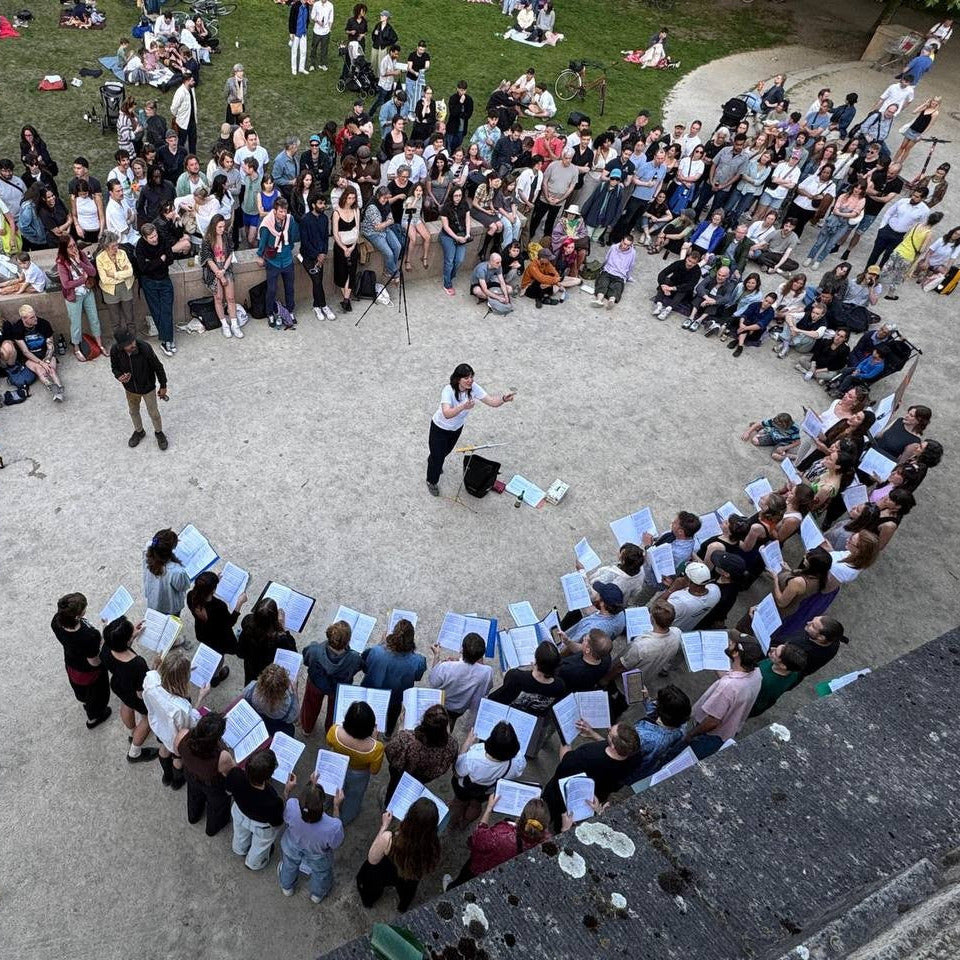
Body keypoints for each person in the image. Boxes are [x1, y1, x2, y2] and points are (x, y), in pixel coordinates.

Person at [425, 362, 515, 496]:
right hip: (440, 428)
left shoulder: (474, 388)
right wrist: (463, 406)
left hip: (456, 429)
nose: (470, 380)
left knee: (445, 452)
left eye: (471, 377)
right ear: (458, 379)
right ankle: (431, 481)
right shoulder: (448, 390)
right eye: (466, 378)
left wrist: (503, 399)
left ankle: (434, 459)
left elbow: (491, 402)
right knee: (438, 458)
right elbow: (447, 413)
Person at [542, 722, 641, 830]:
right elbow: (614, 750)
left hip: (563, 795)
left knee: (550, 812)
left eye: (609, 732)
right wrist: (592, 734)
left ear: (612, 745)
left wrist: (564, 741)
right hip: (594, 796)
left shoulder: (587, 756)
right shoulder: (635, 757)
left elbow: (566, 763)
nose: (608, 728)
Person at [449, 794, 554, 888]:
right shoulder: (546, 842)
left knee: (461, 882)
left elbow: (478, 839)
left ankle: (451, 888)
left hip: (480, 868)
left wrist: (489, 809)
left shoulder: (502, 834)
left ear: (521, 816)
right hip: (503, 876)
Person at [357, 801, 441, 912]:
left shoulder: (389, 839)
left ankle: (368, 900)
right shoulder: (434, 845)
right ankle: (403, 907)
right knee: (408, 891)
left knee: (368, 875)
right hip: (411, 875)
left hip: (387, 871)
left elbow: (372, 859)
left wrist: (384, 826)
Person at [143, 652, 207, 790]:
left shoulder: (150, 680)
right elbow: (190, 725)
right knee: (177, 758)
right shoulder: (181, 708)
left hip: (159, 726)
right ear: (183, 679)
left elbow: (154, 672)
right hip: (174, 736)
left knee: (163, 748)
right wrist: (201, 697)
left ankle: (167, 776)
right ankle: (177, 781)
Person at [685, 632, 763, 745]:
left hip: (710, 734)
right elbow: (732, 679)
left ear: (736, 653)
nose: (729, 643)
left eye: (732, 643)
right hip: (730, 729)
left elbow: (713, 721)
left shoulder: (728, 686)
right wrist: (711, 661)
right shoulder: (757, 673)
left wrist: (691, 734)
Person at [278, 774, 346, 903]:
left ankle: (287, 887)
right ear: (321, 806)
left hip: (292, 846)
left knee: (289, 865)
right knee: (321, 874)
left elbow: (285, 814)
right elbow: (336, 843)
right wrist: (336, 806)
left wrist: (291, 789)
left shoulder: (292, 805)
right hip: (318, 855)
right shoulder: (333, 826)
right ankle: (317, 895)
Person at [98, 617, 158, 763]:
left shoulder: (106, 647)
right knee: (149, 718)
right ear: (126, 641)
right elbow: (141, 693)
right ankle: (134, 753)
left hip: (119, 685)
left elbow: (121, 648)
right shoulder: (137, 664)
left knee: (126, 704)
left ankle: (133, 732)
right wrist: (156, 667)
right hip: (136, 694)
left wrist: (132, 635)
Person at [605, 601, 680, 712]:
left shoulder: (640, 647)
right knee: (623, 704)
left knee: (613, 698)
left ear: (652, 619)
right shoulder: (677, 633)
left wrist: (605, 679)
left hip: (622, 681)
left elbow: (620, 667)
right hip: (645, 677)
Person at [51, 593, 112, 729]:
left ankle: (86, 702)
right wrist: (102, 639)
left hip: (72, 664)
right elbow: (94, 662)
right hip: (88, 672)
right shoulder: (88, 636)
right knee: (97, 696)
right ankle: (94, 718)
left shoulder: (56, 621)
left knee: (83, 692)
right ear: (77, 616)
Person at [451, 722, 527, 828]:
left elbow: (457, 772)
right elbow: (518, 772)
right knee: (476, 805)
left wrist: (467, 743)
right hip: (487, 791)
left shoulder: (473, 757)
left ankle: (452, 822)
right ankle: (465, 822)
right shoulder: (517, 762)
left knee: (458, 803)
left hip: (464, 788)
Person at [228, 748, 291, 870]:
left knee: (240, 833)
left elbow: (229, 790)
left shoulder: (235, 775)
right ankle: (254, 863)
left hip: (240, 813)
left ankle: (239, 848)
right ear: (268, 777)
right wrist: (287, 792)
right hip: (260, 826)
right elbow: (277, 821)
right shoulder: (272, 800)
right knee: (260, 846)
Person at [361, 618, 427, 735]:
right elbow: (417, 677)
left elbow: (365, 667)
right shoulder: (418, 661)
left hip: (372, 691)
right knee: (393, 715)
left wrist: (380, 644)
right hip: (396, 696)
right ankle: (388, 734)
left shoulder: (376, 651)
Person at [384, 704, 459, 803]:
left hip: (402, 773)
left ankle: (388, 804)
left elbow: (390, 752)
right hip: (424, 778)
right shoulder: (452, 745)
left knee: (394, 787)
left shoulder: (407, 740)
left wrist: (401, 728)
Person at [175, 712, 234, 837]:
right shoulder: (222, 756)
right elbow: (231, 773)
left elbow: (177, 752)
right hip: (212, 785)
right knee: (217, 806)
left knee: (194, 796)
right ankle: (212, 828)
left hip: (191, 775)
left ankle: (193, 816)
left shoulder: (183, 735)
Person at [326, 700, 384, 826]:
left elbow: (329, 743)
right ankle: (346, 817)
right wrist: (374, 739)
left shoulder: (334, 731)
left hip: (338, 764)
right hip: (359, 774)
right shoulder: (376, 748)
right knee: (354, 797)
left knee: (332, 785)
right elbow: (374, 770)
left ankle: (326, 804)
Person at [301, 620, 365, 734]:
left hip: (315, 683)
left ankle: (307, 728)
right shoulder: (354, 658)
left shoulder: (314, 649)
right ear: (347, 641)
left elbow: (306, 660)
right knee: (334, 712)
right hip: (338, 689)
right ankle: (330, 731)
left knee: (310, 705)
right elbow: (358, 668)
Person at [111, 329, 169, 449]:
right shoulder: (115, 351)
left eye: (132, 340)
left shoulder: (145, 348)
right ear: (121, 346)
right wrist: (119, 376)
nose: (133, 344)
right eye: (129, 344)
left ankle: (159, 432)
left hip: (148, 388)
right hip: (130, 389)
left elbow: (158, 367)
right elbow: (114, 367)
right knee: (133, 411)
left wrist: (163, 385)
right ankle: (139, 431)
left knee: (154, 413)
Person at [186, 570, 244, 686]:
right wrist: (239, 604)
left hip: (203, 633)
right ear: (212, 590)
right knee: (218, 659)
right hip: (218, 639)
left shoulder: (191, 596)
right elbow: (230, 622)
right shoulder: (218, 606)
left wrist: (211, 581)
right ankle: (215, 677)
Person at [428, 632, 493, 730]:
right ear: (481, 656)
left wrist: (437, 656)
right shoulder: (487, 671)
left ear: (462, 650)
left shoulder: (446, 667)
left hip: (442, 702)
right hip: (459, 708)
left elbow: (433, 681)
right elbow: (487, 688)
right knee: (451, 722)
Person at [1, 304, 64, 401]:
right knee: (40, 371)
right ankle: (51, 387)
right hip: (30, 357)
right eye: (32, 317)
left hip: (45, 353)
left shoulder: (43, 323)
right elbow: (25, 352)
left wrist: (46, 360)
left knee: (51, 369)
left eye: (35, 315)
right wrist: (41, 363)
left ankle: (60, 389)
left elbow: (50, 346)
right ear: (24, 319)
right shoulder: (18, 328)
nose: (36, 319)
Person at [56, 237, 104, 361]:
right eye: (70, 247)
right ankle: (76, 348)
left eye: (74, 245)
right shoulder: (61, 262)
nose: (74, 248)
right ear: (64, 249)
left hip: (87, 291)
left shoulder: (81, 254)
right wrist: (82, 279)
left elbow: (93, 272)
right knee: (76, 323)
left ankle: (99, 344)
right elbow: (66, 284)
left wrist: (80, 262)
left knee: (94, 318)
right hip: (74, 296)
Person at [257, 197, 300, 329]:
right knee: (271, 289)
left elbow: (293, 236)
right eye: (280, 211)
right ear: (275, 211)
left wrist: (288, 249)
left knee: (290, 288)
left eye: (284, 211)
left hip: (287, 259)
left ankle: (290, 311)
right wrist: (260, 256)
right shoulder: (267, 223)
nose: (283, 214)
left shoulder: (290, 220)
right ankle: (270, 313)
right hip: (273, 261)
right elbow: (263, 240)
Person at [135, 223, 177, 352]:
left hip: (164, 278)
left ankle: (167, 339)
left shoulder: (162, 239)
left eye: (155, 235)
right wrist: (160, 259)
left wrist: (152, 262)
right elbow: (143, 268)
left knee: (166, 309)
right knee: (157, 311)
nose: (155, 239)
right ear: (144, 237)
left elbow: (170, 258)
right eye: (151, 237)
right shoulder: (140, 246)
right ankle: (167, 340)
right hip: (149, 282)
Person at [236, 598, 298, 685]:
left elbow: (240, 653)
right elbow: (292, 655)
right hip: (269, 676)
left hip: (251, 670)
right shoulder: (281, 640)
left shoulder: (248, 625)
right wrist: (283, 628)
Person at [243, 663, 300, 736]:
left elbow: (244, 699)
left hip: (258, 723)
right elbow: (296, 719)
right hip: (278, 730)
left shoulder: (251, 689)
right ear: (284, 688)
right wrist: (295, 692)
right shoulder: (289, 706)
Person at [651, 249, 702, 321]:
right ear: (686, 258)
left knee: (684, 290)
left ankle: (668, 309)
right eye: (689, 261)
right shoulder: (679, 263)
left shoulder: (697, 271)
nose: (690, 264)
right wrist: (663, 286)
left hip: (683, 292)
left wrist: (672, 288)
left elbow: (690, 285)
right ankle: (659, 305)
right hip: (672, 284)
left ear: (697, 263)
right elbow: (663, 273)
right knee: (665, 281)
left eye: (693, 263)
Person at [332, 187, 360, 313]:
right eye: (349, 198)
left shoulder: (356, 210)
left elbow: (357, 229)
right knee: (342, 272)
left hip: (352, 245)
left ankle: (346, 299)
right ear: (344, 198)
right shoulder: (337, 212)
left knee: (351, 272)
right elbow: (335, 233)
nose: (351, 200)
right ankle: (346, 299)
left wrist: (353, 246)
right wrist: (344, 248)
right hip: (340, 245)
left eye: (353, 198)